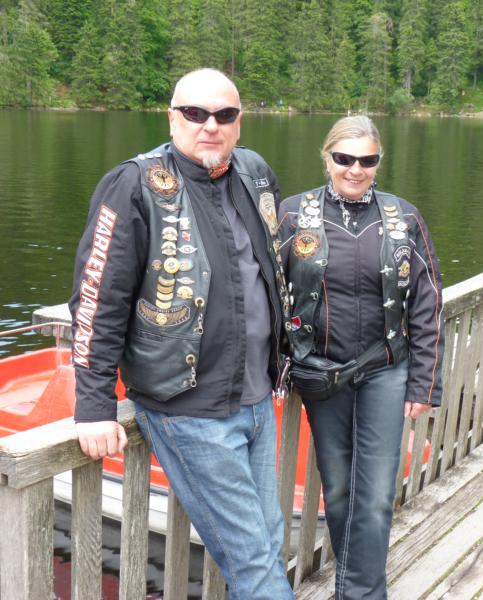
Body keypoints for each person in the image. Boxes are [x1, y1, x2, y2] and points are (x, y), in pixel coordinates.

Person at [69, 68, 294, 599]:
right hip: (188, 408)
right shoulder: (134, 184)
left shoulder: (255, 173)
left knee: (269, 543)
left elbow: (272, 270)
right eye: (195, 113)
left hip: (258, 400)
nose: (210, 125)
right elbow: (97, 298)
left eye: (224, 115)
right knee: (256, 566)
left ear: (239, 122)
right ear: (172, 118)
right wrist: (95, 405)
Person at [277, 116, 444, 598]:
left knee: (374, 497)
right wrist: (278, 364)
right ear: (327, 158)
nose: (355, 169)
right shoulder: (293, 215)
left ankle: (362, 593)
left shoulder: (404, 218)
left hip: (385, 369)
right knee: (338, 489)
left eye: (367, 160)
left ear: (378, 162)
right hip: (321, 372)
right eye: (344, 158)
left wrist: (425, 382)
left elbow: (428, 301)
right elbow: (266, 292)